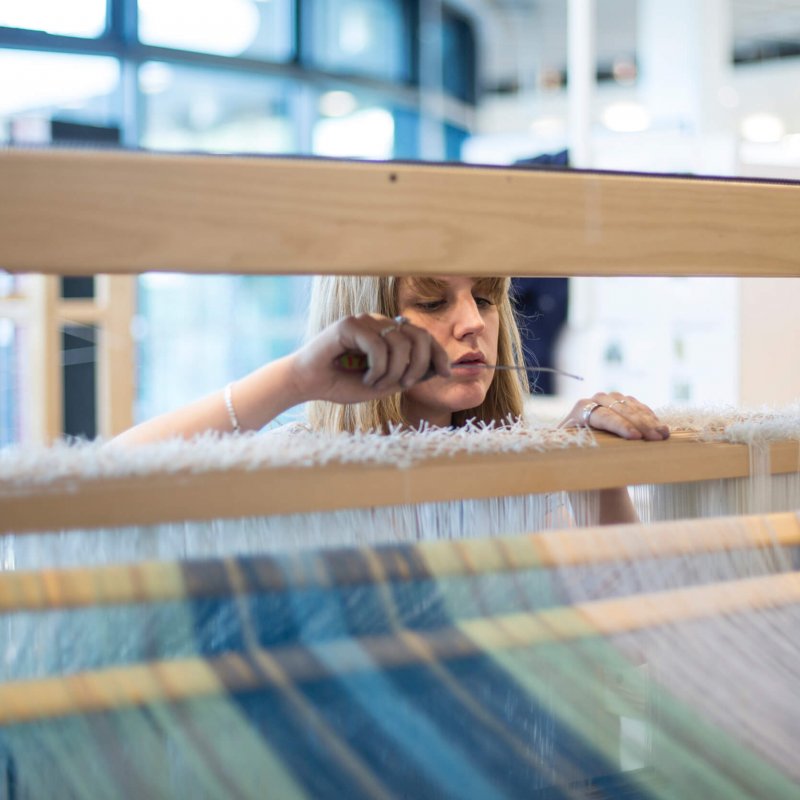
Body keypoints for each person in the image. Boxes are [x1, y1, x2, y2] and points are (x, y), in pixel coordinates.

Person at [114, 274, 669, 523]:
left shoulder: (519, 481)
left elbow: (633, 646)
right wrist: (294, 380)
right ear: (365, 317)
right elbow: (101, 478)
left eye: (483, 296)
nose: (473, 322)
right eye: (432, 301)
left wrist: (589, 472)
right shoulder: (299, 468)